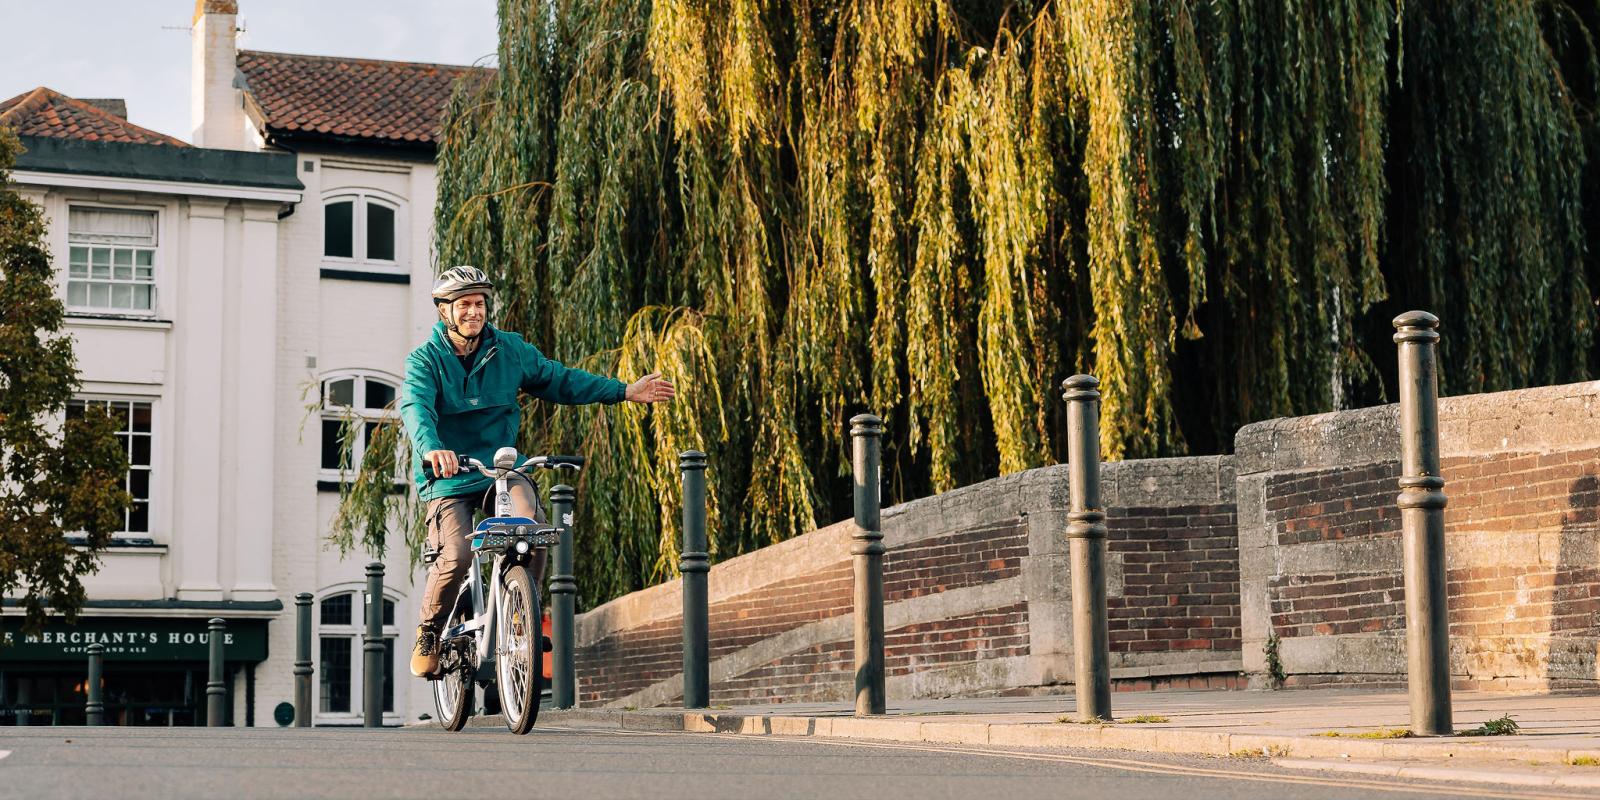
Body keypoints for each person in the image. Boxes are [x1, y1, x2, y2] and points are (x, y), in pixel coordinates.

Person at [400, 266, 675, 677]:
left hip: (499, 471)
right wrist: (433, 449)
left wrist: (624, 391)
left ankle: (520, 615)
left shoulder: (509, 351)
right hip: (450, 476)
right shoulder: (425, 361)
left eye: (479, 304)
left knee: (533, 529)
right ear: (445, 312)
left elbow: (560, 380)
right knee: (455, 554)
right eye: (464, 305)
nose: (474, 312)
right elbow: (416, 409)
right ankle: (429, 632)